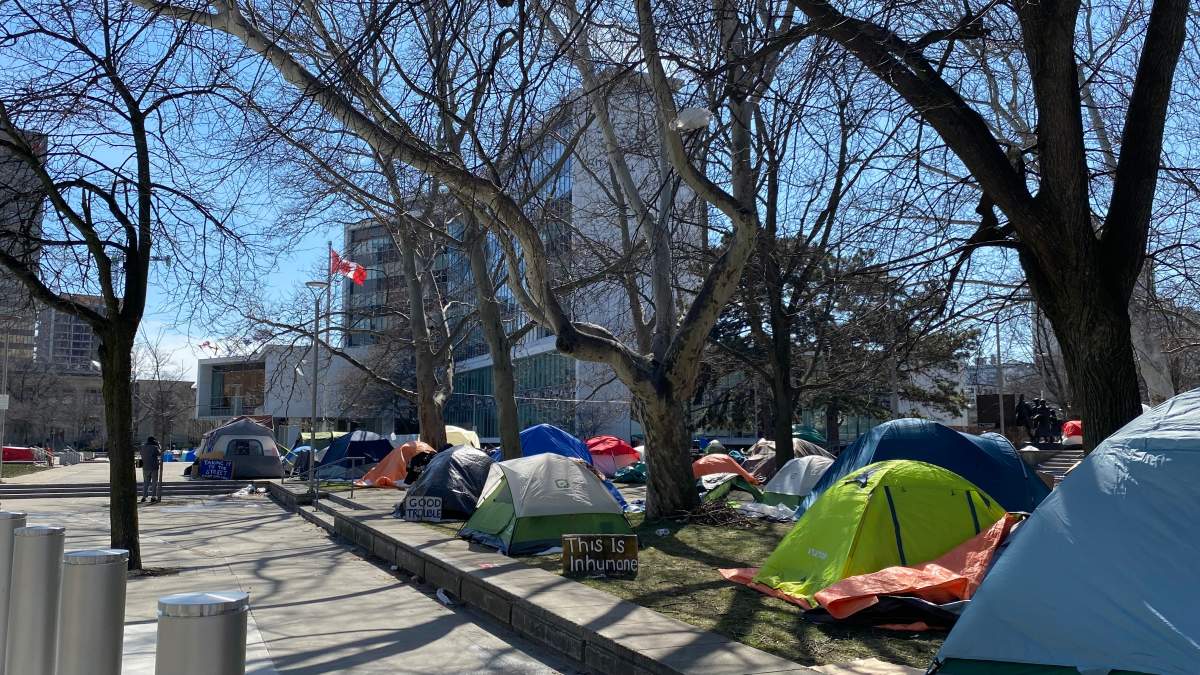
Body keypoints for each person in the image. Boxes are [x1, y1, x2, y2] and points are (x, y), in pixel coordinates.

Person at [140, 436, 162, 504]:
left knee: (146, 483)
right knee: (154, 483)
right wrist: (158, 445)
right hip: (154, 467)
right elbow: (159, 453)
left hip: (145, 467)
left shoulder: (142, 447)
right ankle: (153, 497)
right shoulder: (155, 447)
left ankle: (144, 497)